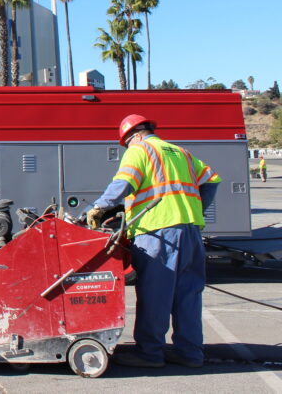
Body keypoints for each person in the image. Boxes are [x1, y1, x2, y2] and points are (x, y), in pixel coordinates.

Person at [86, 114, 221, 369]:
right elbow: (212, 180)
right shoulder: (182, 152)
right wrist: (196, 209)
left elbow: (122, 184)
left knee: (155, 294)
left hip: (157, 232)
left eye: (126, 144)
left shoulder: (140, 149)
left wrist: (97, 208)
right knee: (188, 295)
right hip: (190, 231)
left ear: (133, 136)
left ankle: (150, 354)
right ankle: (190, 353)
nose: (127, 148)